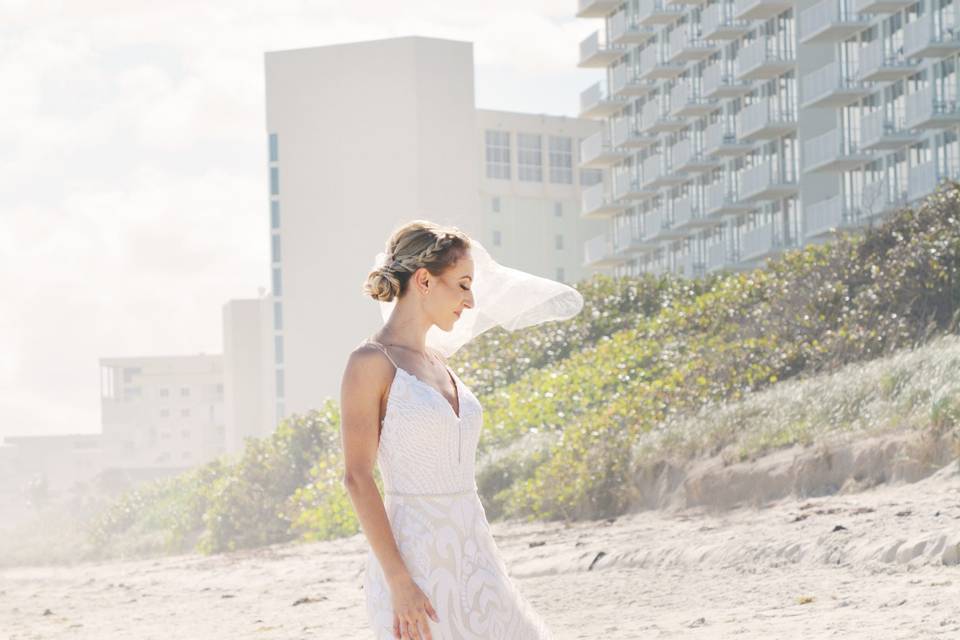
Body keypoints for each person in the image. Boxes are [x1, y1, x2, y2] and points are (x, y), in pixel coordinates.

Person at [340, 220, 582, 639]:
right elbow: (357, 478)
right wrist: (399, 582)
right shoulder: (369, 363)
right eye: (463, 284)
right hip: (414, 566)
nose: (470, 301)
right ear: (424, 280)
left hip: (477, 556)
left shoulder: (438, 361)